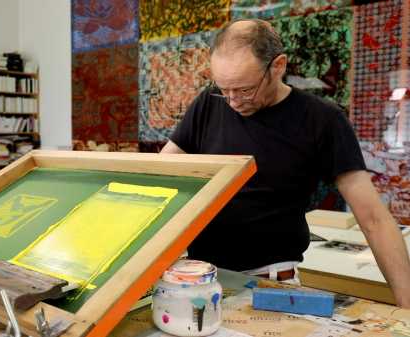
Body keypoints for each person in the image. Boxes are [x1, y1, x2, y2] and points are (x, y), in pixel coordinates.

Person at [161, 19, 410, 307]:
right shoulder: (209, 103)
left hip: (269, 283)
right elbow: (164, 174)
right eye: (224, 90)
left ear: (278, 66)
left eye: (245, 90)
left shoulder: (322, 120)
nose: (232, 102)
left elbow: (375, 220)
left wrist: (406, 309)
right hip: (200, 277)